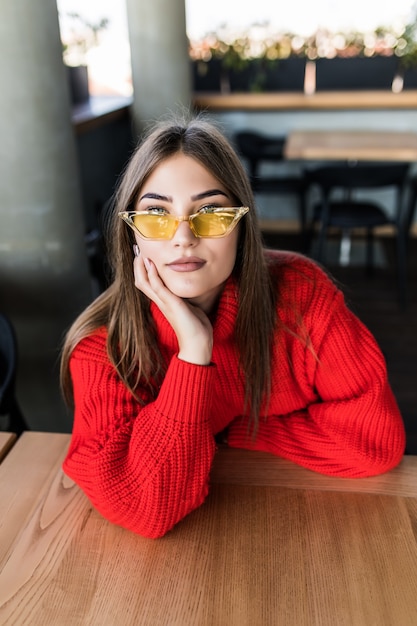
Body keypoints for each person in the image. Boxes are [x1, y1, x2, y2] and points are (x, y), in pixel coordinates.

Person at [60, 114, 406, 539]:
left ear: (241, 225)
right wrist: (194, 351)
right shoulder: (102, 346)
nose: (183, 236)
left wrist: (233, 429)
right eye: (156, 215)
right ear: (131, 233)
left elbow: (376, 442)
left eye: (211, 213)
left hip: (297, 527)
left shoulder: (302, 297)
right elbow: (144, 508)